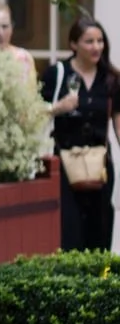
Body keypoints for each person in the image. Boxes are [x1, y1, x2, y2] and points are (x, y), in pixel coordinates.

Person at [43, 14, 120, 252]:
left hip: (100, 166)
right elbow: (32, 113)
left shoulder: (111, 79)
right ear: (74, 44)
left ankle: (99, 285)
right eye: (89, 41)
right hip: (64, 165)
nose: (96, 47)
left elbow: (118, 124)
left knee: (100, 233)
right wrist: (59, 108)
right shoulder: (57, 74)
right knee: (68, 233)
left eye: (100, 41)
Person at [0, 4, 37, 83]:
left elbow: (32, 93)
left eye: (5, 26)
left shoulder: (24, 58)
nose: (0, 33)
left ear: (12, 27)